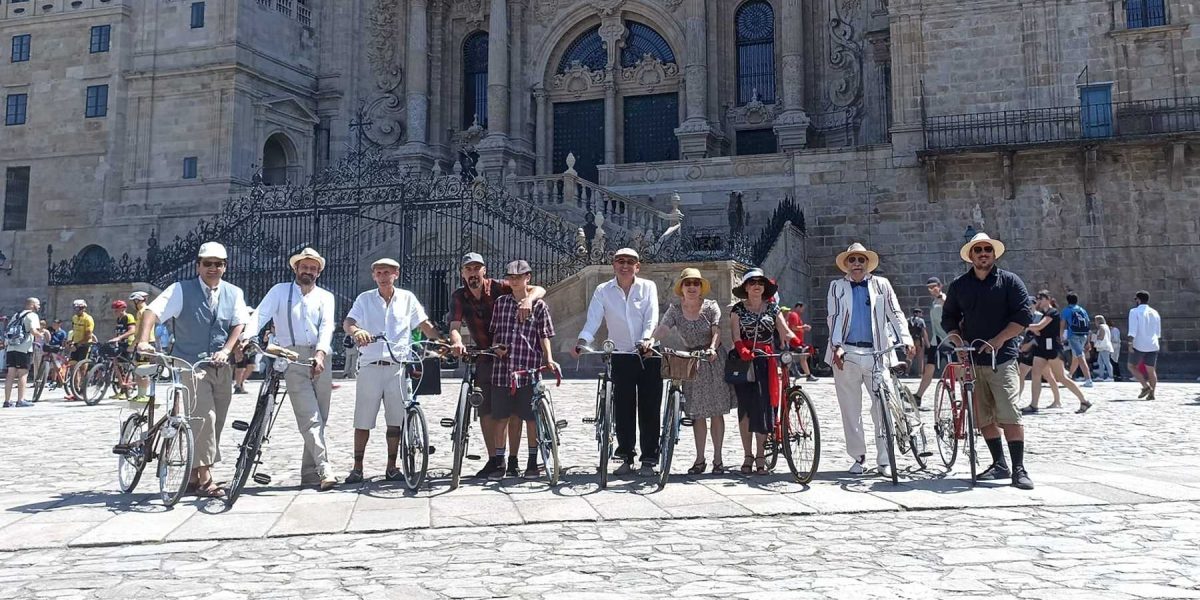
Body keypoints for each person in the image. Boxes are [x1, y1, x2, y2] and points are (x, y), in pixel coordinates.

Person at [137, 242, 250, 498]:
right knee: (204, 418)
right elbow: (152, 312)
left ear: (225, 267)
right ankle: (206, 479)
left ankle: (192, 476)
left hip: (221, 366)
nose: (213, 268)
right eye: (207, 263)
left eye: (218, 264)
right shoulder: (181, 290)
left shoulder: (234, 293)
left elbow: (239, 323)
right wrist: (144, 339)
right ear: (198, 265)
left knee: (217, 421)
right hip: (189, 364)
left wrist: (228, 349)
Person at [941, 232, 1034, 490]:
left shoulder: (1010, 282)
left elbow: (1022, 317)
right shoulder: (959, 286)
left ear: (994, 254)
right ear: (970, 256)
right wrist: (958, 342)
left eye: (987, 250)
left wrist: (999, 340)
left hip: (1001, 358)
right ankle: (999, 463)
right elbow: (949, 318)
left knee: (1010, 414)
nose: (983, 253)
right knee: (983, 417)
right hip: (971, 359)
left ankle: (1019, 469)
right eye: (978, 250)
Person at [242, 248, 339, 490]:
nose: (308, 271)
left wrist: (320, 353)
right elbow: (261, 314)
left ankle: (309, 473)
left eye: (313, 268)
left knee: (321, 415)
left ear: (318, 272)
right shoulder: (279, 291)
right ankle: (324, 467)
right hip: (291, 355)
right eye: (304, 267)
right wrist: (248, 336)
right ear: (295, 268)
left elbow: (327, 326)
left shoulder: (326, 297)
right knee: (309, 414)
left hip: (319, 355)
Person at [447, 252, 546, 479]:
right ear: (462, 273)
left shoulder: (500, 287)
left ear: (484, 270)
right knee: (486, 410)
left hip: (509, 357)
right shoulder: (459, 296)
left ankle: (513, 460)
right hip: (484, 356)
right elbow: (454, 324)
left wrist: (528, 300)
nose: (473, 273)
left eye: (476, 268)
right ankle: (494, 460)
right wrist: (457, 341)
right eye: (468, 269)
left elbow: (538, 289)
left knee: (512, 412)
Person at [343, 257, 443, 483]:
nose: (383, 276)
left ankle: (392, 466)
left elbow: (424, 324)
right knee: (363, 419)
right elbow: (348, 322)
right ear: (373, 276)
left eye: (387, 272)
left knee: (395, 420)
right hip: (370, 365)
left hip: (397, 366)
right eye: (379, 273)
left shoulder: (407, 299)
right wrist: (356, 331)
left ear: (396, 274)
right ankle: (358, 467)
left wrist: (440, 341)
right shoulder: (364, 299)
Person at [571, 248, 662, 477]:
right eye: (620, 261)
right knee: (623, 407)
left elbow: (652, 316)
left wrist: (647, 339)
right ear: (613, 265)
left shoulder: (647, 287)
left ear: (637, 267)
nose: (625, 266)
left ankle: (649, 458)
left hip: (648, 352)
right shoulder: (604, 291)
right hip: (621, 354)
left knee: (650, 406)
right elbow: (593, 319)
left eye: (630, 262)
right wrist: (583, 341)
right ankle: (626, 456)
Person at [824, 244, 912, 478]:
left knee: (881, 407)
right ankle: (858, 457)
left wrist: (906, 339)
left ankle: (884, 459)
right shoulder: (837, 287)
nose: (856, 264)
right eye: (852, 260)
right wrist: (837, 347)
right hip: (848, 353)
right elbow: (833, 318)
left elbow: (896, 313)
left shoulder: (881, 285)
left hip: (877, 353)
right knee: (850, 409)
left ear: (867, 263)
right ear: (846, 264)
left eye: (861, 260)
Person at [646, 268, 737, 474]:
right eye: (688, 284)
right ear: (682, 288)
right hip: (692, 361)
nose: (692, 287)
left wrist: (713, 348)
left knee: (715, 412)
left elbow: (716, 331)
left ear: (701, 287)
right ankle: (699, 459)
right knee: (697, 413)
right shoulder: (676, 309)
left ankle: (718, 459)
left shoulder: (710, 307)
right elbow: (664, 327)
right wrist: (652, 340)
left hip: (712, 360)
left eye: (696, 283)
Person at [488, 260, 559, 479]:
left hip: (528, 366)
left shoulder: (539, 305)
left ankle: (531, 461)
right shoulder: (501, 303)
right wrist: (495, 348)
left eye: (519, 276)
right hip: (503, 368)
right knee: (503, 417)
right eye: (511, 277)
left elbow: (544, 335)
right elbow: (494, 333)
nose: (515, 280)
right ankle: (505, 461)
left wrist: (549, 358)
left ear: (528, 277)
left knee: (530, 417)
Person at [732, 269, 799, 475]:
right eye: (752, 282)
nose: (756, 285)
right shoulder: (737, 310)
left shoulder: (772, 308)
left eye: (760, 282)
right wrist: (741, 348)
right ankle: (747, 455)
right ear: (746, 287)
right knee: (745, 410)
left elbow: (783, 329)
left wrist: (795, 341)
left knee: (763, 409)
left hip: (766, 359)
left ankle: (760, 455)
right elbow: (735, 334)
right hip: (743, 362)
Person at [1023, 291, 1091, 414]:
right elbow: (1039, 331)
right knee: (1036, 375)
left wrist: (1026, 326)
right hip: (1041, 348)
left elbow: (1039, 327)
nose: (1038, 301)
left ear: (1048, 299)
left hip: (1052, 348)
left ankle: (1084, 400)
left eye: (1040, 298)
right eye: (1037, 299)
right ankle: (1034, 405)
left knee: (1061, 377)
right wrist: (1035, 329)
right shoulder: (1044, 314)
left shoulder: (1052, 312)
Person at [914, 277, 951, 405]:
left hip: (950, 339)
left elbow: (947, 304)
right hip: (937, 340)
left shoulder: (943, 298)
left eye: (934, 286)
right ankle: (918, 396)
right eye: (929, 287)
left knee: (959, 370)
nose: (932, 289)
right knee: (929, 368)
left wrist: (941, 297)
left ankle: (967, 397)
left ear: (940, 286)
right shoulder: (935, 301)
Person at [3, 298, 44, 408]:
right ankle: (20, 400)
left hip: (11, 348)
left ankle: (7, 401)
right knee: (23, 373)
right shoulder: (32, 316)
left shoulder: (16, 315)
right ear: (31, 305)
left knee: (10, 374)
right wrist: (42, 336)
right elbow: (33, 331)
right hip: (24, 348)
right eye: (37, 304)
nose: (39, 306)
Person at [1127, 290, 1162, 401]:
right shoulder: (1155, 312)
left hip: (1139, 344)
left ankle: (1145, 386)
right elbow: (1158, 331)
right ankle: (1152, 393)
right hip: (1153, 344)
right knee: (1151, 370)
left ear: (1138, 300)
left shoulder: (1134, 311)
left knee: (1131, 366)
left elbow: (1132, 329)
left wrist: (1130, 343)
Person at [105, 299, 138, 400]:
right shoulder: (119, 319)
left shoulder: (128, 317)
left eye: (116, 309)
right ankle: (121, 388)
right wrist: (115, 339)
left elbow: (132, 330)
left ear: (123, 308)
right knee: (116, 364)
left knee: (124, 366)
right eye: (114, 309)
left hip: (127, 343)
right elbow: (118, 331)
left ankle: (126, 389)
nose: (115, 311)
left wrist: (119, 338)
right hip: (120, 343)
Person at [1060, 293, 1093, 387]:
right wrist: (1088, 341)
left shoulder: (1066, 310)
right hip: (1084, 335)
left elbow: (1062, 324)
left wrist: (1061, 335)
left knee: (1080, 356)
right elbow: (1088, 324)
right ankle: (1070, 376)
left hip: (1073, 335)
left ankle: (1088, 379)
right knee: (1076, 357)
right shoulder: (1082, 310)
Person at [65, 299, 95, 401]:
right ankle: (75, 391)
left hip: (85, 345)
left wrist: (78, 344)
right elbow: (74, 331)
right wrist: (72, 341)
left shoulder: (88, 319)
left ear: (83, 308)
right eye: (75, 308)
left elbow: (88, 335)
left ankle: (83, 389)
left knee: (82, 368)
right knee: (73, 367)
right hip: (76, 343)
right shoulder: (74, 318)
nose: (77, 310)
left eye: (79, 308)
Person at [784, 302, 817, 382]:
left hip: (797, 342)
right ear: (798, 307)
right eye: (802, 308)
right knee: (792, 358)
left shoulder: (796, 316)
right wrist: (804, 327)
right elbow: (793, 327)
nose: (803, 310)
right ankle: (801, 374)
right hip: (795, 342)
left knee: (801, 357)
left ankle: (805, 375)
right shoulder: (794, 315)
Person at [1091, 315, 1114, 382]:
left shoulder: (1102, 327)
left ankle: (1110, 377)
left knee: (1106, 362)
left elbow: (1101, 337)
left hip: (1104, 347)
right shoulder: (1106, 326)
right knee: (1100, 362)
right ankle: (1101, 376)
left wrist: (1094, 336)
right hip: (1103, 347)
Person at [908, 308, 929, 377]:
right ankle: (920, 373)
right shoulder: (921, 321)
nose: (922, 314)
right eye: (921, 313)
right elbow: (924, 332)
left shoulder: (908, 320)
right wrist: (927, 344)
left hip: (910, 340)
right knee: (920, 357)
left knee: (910, 356)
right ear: (918, 313)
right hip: (919, 340)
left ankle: (906, 372)